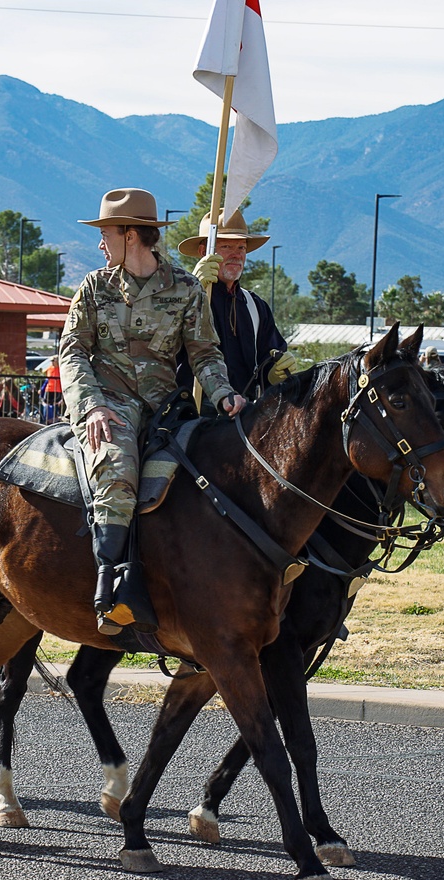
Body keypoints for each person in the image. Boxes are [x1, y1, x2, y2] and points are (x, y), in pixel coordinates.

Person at [60, 187, 244, 634]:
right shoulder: (94, 287)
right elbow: (72, 353)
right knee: (119, 472)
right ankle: (111, 591)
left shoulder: (184, 289)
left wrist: (223, 394)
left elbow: (204, 353)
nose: (100, 243)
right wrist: (92, 408)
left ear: (130, 235)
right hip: (111, 405)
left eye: (105, 233)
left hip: (166, 408)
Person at [177, 208, 295, 402]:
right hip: (188, 418)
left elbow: (267, 367)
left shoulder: (255, 307)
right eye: (226, 247)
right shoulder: (177, 298)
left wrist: (276, 374)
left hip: (242, 419)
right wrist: (192, 292)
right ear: (202, 252)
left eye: (241, 248)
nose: (236, 255)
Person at [39, 354, 64, 422]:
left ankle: (54, 419)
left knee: (55, 404)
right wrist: (42, 389)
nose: (52, 362)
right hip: (49, 389)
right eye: (51, 361)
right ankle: (47, 419)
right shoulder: (49, 369)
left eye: (54, 361)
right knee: (46, 404)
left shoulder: (61, 369)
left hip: (58, 390)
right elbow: (47, 380)